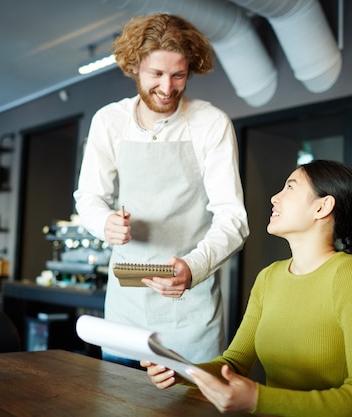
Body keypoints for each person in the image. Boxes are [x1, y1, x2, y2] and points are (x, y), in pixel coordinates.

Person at [143, 160, 352, 417]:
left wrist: (257, 398)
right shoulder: (268, 277)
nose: (275, 197)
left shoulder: (350, 273)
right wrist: (183, 370)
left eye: (290, 188)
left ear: (322, 206)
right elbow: (233, 365)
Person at [73, 13, 249, 367]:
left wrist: (193, 267)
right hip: (127, 309)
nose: (167, 88)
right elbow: (88, 198)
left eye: (179, 75)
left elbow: (233, 217)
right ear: (135, 66)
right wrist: (104, 222)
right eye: (156, 74)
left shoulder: (210, 123)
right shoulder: (110, 121)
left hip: (191, 310)